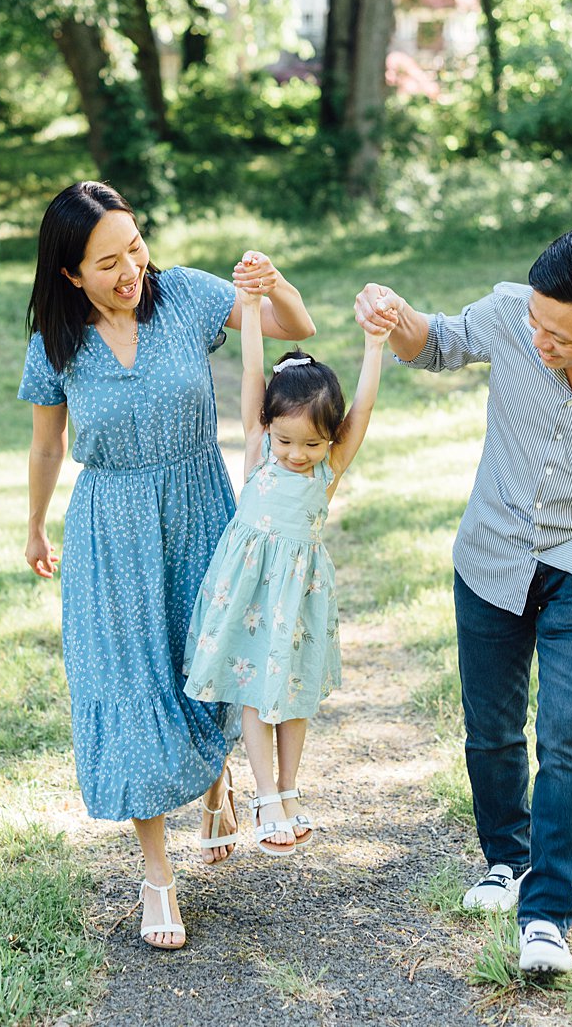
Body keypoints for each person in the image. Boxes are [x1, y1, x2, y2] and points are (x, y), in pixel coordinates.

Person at [355, 227, 572, 976]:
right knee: (493, 727)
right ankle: (506, 859)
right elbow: (434, 342)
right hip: (492, 555)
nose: (538, 339)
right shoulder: (513, 312)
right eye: (535, 322)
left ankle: (548, 914)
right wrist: (391, 312)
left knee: (569, 731)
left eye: (560, 336)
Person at [18, 182, 316, 951]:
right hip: (110, 524)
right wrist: (33, 526)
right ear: (69, 275)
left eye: (136, 248)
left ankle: (217, 793)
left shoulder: (182, 296)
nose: (131, 271)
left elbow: (293, 326)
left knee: (206, 663)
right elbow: (48, 444)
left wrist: (269, 281)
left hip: (198, 503)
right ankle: (157, 876)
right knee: (131, 685)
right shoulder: (57, 344)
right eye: (108, 261)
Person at [185, 281, 391, 854]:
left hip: (299, 597)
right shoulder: (257, 448)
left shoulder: (328, 471)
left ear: (331, 440)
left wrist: (374, 347)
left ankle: (289, 789)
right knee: (253, 692)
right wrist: (249, 309)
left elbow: (365, 407)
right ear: (268, 427)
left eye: (313, 445)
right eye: (287, 441)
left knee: (293, 694)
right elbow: (253, 370)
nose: (298, 455)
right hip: (250, 593)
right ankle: (262, 796)